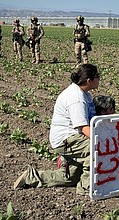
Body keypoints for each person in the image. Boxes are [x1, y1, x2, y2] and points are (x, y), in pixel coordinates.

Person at [14, 63, 100, 196]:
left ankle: (30, 177)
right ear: (89, 80)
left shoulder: (85, 94)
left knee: (69, 178)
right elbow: (82, 127)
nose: (99, 79)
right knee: (96, 148)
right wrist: (102, 139)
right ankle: (86, 189)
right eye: (97, 76)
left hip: (73, 137)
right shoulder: (76, 98)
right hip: (66, 139)